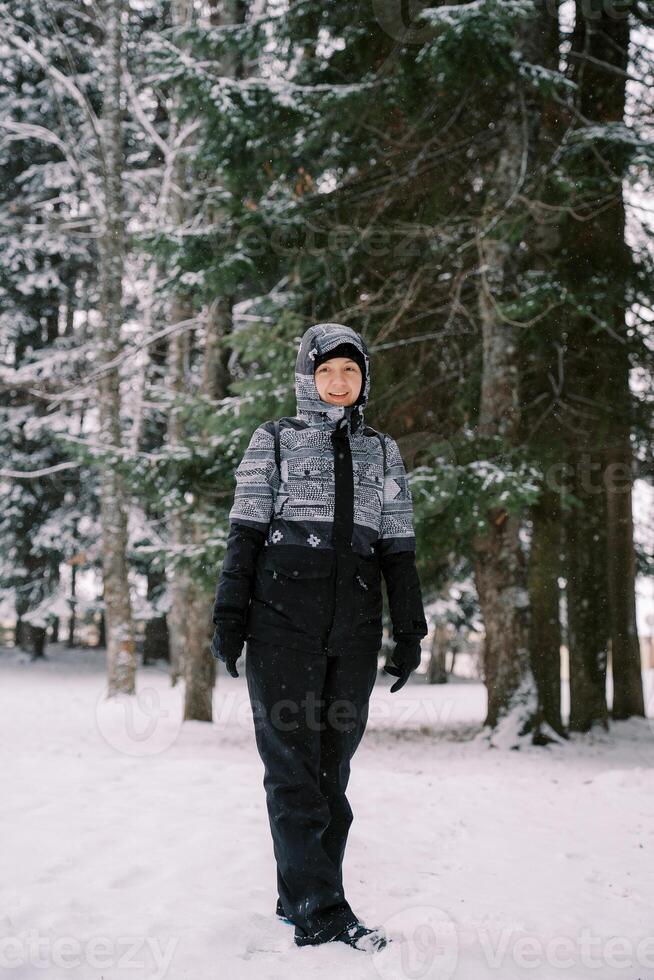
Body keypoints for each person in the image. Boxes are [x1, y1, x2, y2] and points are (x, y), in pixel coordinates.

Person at [211, 322, 428, 952]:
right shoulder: (273, 439)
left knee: (333, 772)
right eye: (327, 371)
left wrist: (409, 630)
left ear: (364, 380)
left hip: (354, 628)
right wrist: (229, 617)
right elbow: (245, 532)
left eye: (350, 371)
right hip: (280, 623)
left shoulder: (382, 451)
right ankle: (321, 911)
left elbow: (398, 549)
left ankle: (300, 892)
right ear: (308, 376)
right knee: (292, 771)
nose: (338, 382)